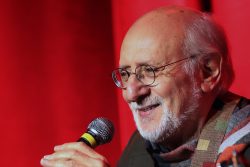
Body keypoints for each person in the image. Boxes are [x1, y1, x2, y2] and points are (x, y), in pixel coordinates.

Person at [40, 5, 250, 167]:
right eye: (125, 74)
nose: (131, 93)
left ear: (207, 72)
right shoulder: (140, 146)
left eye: (149, 70)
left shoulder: (241, 144)